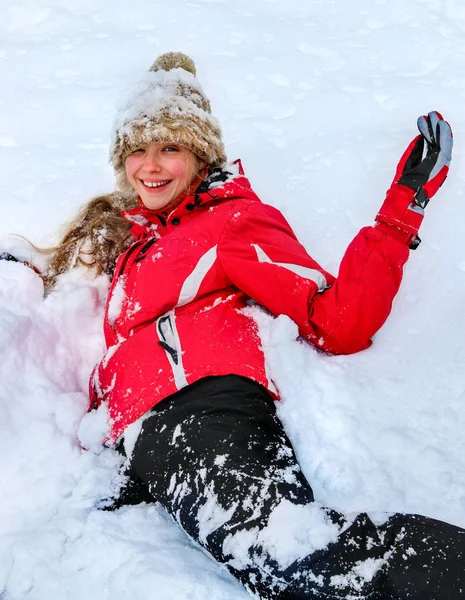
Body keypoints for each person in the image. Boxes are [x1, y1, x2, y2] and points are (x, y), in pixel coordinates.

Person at [5, 52, 464, 599]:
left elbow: (339, 321)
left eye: (169, 147)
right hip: (140, 443)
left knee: (294, 554)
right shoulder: (138, 241)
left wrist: (399, 213)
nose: (149, 166)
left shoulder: (232, 221)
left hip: (201, 412)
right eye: (137, 150)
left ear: (200, 154)